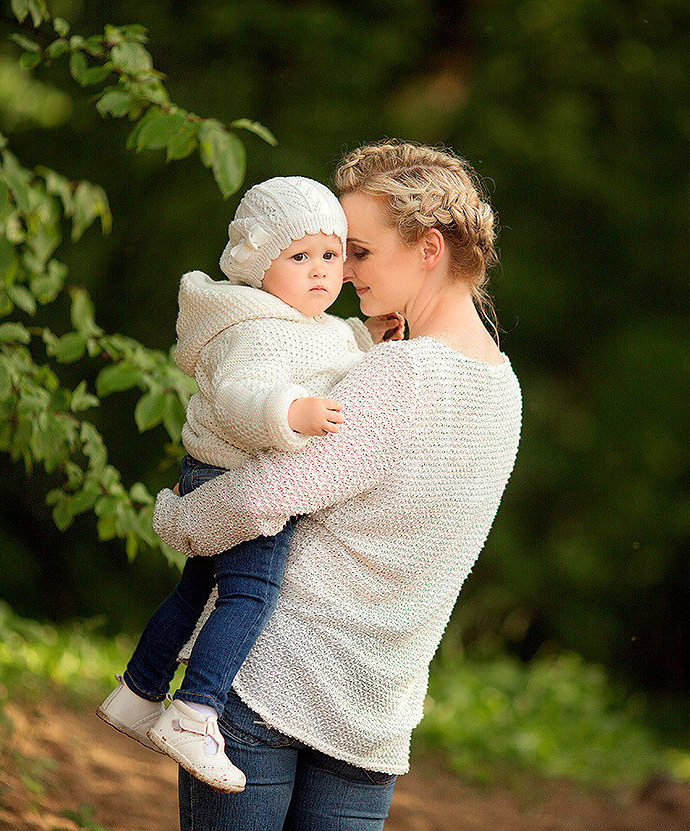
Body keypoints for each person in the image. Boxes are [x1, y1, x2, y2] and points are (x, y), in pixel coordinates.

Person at [150, 141, 523, 831]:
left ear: (428, 249)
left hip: (271, 679)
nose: (341, 272)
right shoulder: (505, 390)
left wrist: (177, 521)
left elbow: (263, 495)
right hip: (377, 711)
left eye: (358, 251)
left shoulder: (400, 373)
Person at [97, 176, 401, 793]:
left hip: (221, 475)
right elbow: (240, 396)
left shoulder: (313, 321)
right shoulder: (256, 326)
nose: (321, 271)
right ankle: (195, 712)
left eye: (331, 255)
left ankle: (138, 691)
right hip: (239, 478)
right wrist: (290, 412)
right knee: (251, 594)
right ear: (260, 263)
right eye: (299, 257)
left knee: (195, 591)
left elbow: (335, 349)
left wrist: (375, 338)